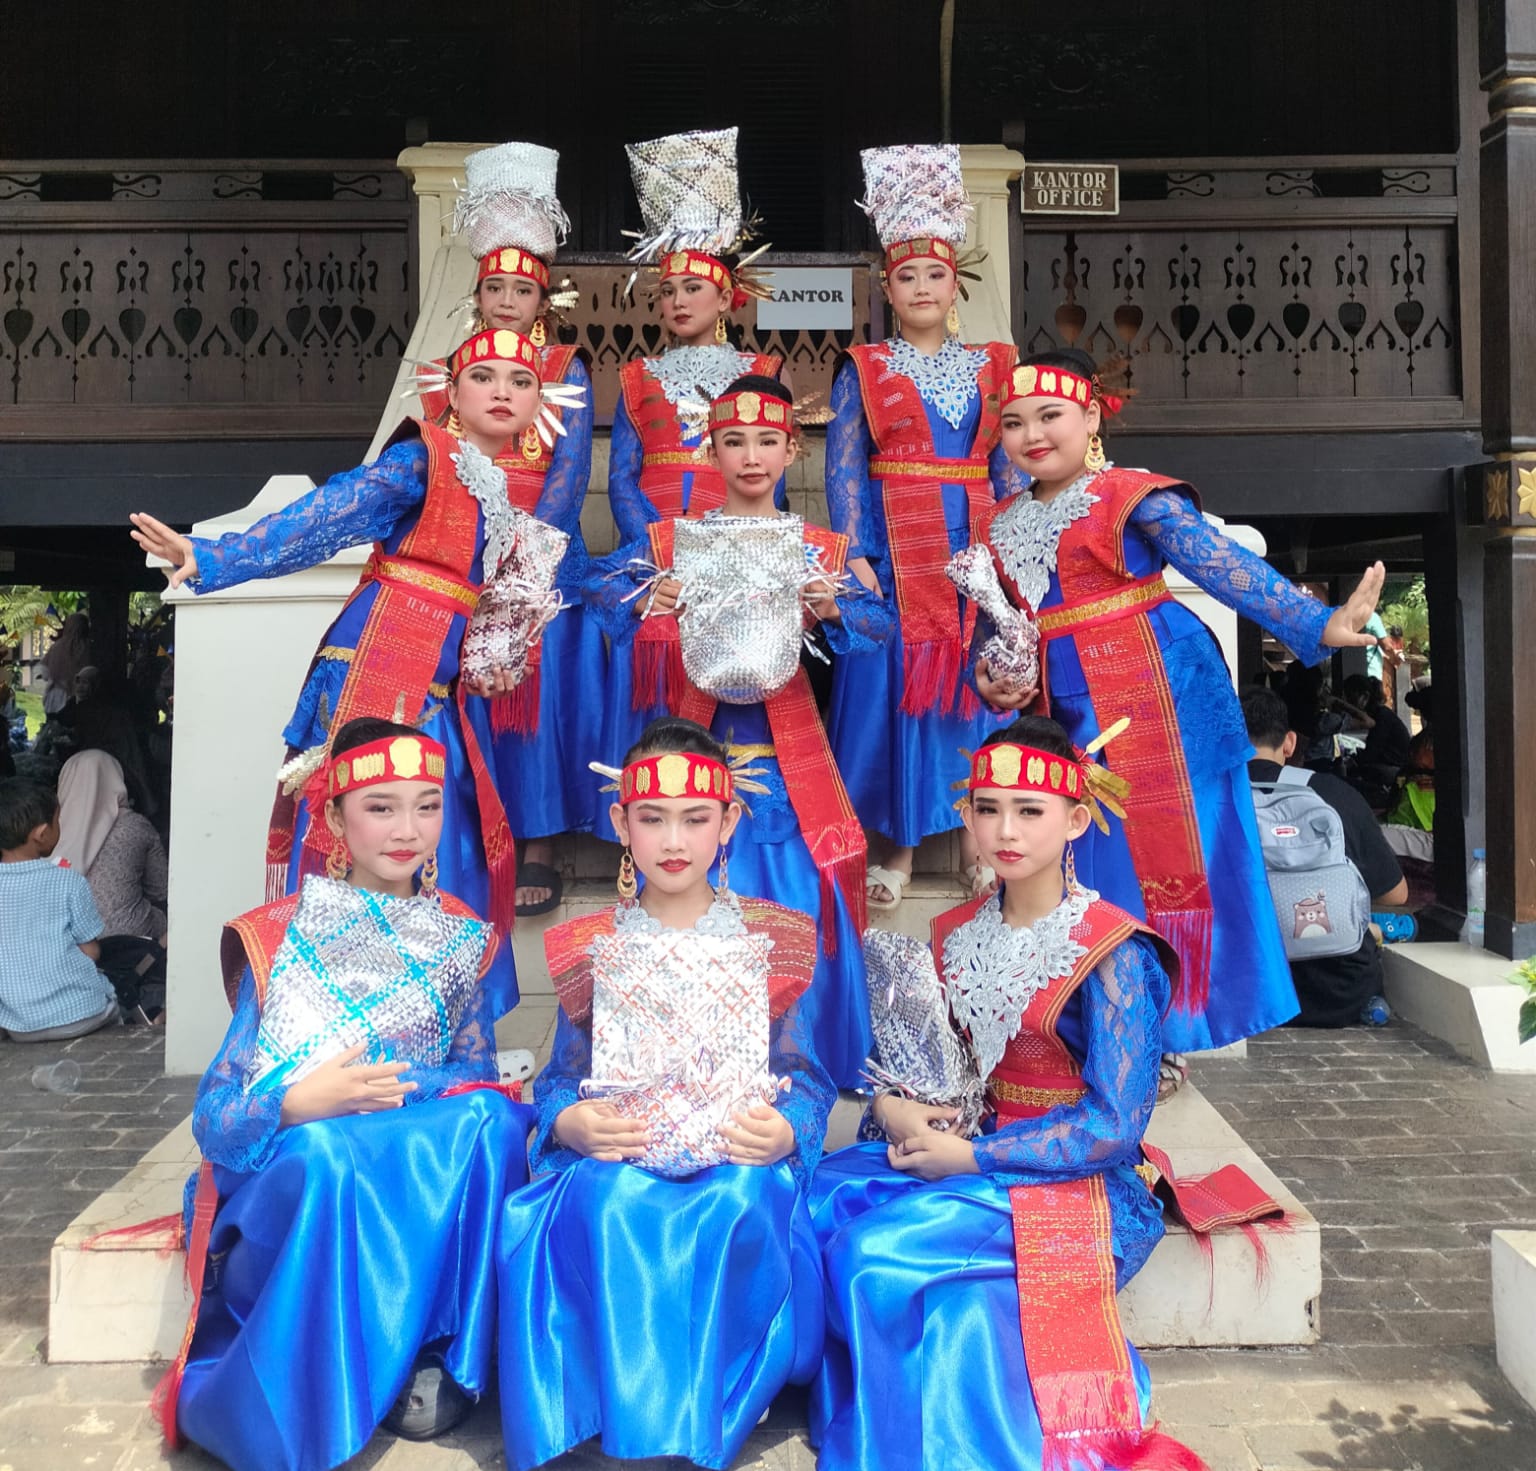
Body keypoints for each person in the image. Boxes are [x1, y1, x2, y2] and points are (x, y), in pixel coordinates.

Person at [129, 325, 580, 1015]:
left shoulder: (501, 496)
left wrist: (495, 659)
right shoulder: (426, 458)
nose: (503, 391)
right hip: (376, 663)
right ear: (451, 391)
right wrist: (216, 556)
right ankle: (330, 1015)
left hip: (440, 686)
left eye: (521, 382)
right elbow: (328, 515)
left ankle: (431, 1018)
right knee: (356, 831)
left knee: (441, 837)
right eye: (483, 376)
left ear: (538, 404)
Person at [810, 716, 1207, 1471]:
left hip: (1076, 1183)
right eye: (987, 809)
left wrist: (972, 1157)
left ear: (1077, 820)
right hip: (969, 1154)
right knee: (823, 1198)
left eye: (1030, 810)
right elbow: (932, 1064)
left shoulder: (1114, 951)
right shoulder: (955, 929)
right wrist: (893, 1107)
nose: (1006, 830)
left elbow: (1113, 1125)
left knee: (868, 1251)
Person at [972, 348, 1386, 1061]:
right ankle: (1091, 1024)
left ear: (1091, 417)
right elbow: (997, 625)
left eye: (1049, 415)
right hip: (1058, 708)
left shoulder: (1132, 494)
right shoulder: (999, 523)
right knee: (1075, 865)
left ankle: (1164, 1030)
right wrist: (990, 679)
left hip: (1159, 696)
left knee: (1163, 862)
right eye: (1014, 422)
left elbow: (1223, 566)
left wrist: (1318, 623)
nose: (1031, 434)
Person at [159, 718, 533, 1471]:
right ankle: (309, 1386)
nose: (407, 830)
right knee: (327, 1154)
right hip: (304, 1163)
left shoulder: (461, 932)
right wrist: (298, 1102)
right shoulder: (277, 934)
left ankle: (445, 1354)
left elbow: (474, 1075)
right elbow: (216, 1117)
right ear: (333, 817)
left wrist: (391, 1083)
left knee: (495, 1119)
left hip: (403, 1152)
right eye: (380, 807)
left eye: (427, 806)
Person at [496, 717, 833, 1471]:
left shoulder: (777, 939)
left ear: (729, 822)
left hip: (732, 1156)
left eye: (695, 818)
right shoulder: (590, 943)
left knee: (738, 1198)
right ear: (621, 824)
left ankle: (700, 1418)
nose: (674, 840)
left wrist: (787, 1130)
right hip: (627, 1151)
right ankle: (615, 1416)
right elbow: (561, 1075)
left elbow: (806, 1075)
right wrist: (570, 1121)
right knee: (610, 1199)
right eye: (652, 818)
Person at [587, 375, 892, 1088]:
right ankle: (687, 1060)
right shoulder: (674, 542)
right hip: (689, 771)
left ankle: (798, 1064)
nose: (751, 456)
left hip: (785, 767)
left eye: (765, 441)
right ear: (710, 451)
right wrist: (647, 595)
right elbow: (598, 589)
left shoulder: (817, 547)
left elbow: (881, 626)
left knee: (794, 897)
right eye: (733, 441)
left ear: (792, 450)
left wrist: (836, 606)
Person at [824, 144, 1022, 911]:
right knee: (897, 697)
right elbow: (844, 466)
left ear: (954, 281)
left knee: (973, 690)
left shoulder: (994, 366)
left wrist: (1011, 552)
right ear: (888, 287)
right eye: (907, 277)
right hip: (893, 553)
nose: (921, 288)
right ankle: (898, 849)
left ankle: (979, 846)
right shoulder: (863, 366)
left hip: (972, 545)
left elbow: (1006, 466)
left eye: (934, 274)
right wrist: (856, 554)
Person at [426, 142, 605, 915]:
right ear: (478, 292)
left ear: (543, 299)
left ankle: (539, 842)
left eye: (521, 289)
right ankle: (473, 833)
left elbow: (568, 478)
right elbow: (439, 465)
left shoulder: (564, 369)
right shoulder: (450, 369)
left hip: (541, 558)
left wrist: (523, 568)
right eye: (494, 286)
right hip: (468, 550)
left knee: (546, 668)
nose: (506, 300)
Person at [608, 127, 787, 543]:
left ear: (724, 299)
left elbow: (774, 474)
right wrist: (651, 543)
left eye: (693, 288)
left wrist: (741, 537)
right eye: (668, 291)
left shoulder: (763, 372)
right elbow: (621, 478)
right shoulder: (637, 376)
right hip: (650, 545)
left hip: (738, 541)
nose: (679, 302)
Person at [1242, 687, 1407, 1028]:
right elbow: (1397, 894)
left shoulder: (1204, 801)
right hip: (1341, 992)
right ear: (1289, 743)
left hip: (1250, 995)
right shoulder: (1334, 793)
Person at [0, 778, 119, 1041]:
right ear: (42, 834)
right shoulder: (68, 882)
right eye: (58, 821)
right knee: (115, 1000)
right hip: (83, 1015)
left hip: (20, 1027)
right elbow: (91, 952)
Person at [56, 749, 169, 1014]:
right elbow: (161, 890)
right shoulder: (136, 826)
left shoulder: (48, 831)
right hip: (134, 941)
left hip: (72, 945)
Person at [39, 612, 91, 716]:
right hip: (81, 699)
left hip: (56, 699)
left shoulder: (56, 647)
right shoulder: (89, 648)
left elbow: (45, 674)